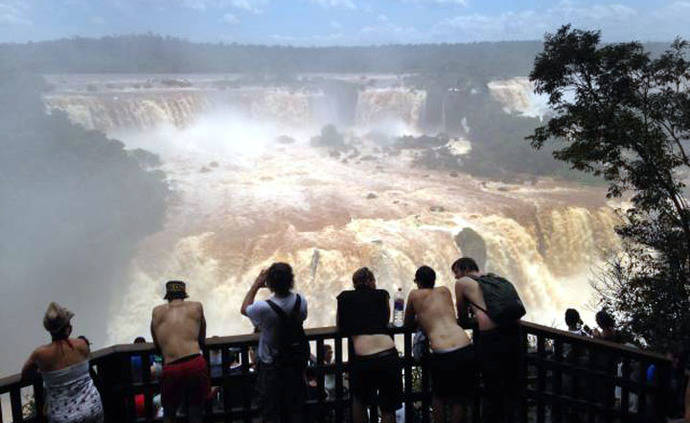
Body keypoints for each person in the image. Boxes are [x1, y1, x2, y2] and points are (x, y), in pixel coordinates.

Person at [453, 257, 522, 423]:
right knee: (512, 384)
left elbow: (461, 315)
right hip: (514, 333)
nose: (455, 277)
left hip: (491, 337)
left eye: (456, 273)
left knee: (492, 386)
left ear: (463, 270)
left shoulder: (463, 283)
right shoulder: (495, 278)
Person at [404, 265, 476, 423]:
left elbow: (407, 322)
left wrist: (421, 319)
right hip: (464, 345)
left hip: (443, 352)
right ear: (434, 280)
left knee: (439, 397)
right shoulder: (445, 291)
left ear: (418, 282)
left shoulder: (414, 295)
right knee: (459, 398)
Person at [241, 262, 308, 423]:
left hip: (271, 367)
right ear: (291, 281)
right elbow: (302, 318)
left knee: (271, 410)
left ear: (269, 283)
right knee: (294, 408)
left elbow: (244, 309)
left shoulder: (263, 308)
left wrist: (256, 284)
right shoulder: (301, 301)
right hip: (294, 364)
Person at [336, 267, 402, 423]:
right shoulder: (382, 294)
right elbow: (385, 320)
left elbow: (340, 325)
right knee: (388, 408)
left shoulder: (344, 297)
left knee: (359, 402)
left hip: (363, 357)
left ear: (354, 283)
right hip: (388, 354)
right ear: (371, 281)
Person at [21, 302, 104, 423]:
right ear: (67, 327)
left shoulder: (40, 354)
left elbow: (26, 374)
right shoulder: (82, 344)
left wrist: (44, 371)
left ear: (49, 330)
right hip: (92, 408)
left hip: (63, 417)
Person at [150, 280, 209, 423]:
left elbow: (156, 342)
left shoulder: (157, 312)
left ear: (167, 296)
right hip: (195, 362)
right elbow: (202, 336)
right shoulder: (196, 307)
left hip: (171, 367)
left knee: (169, 413)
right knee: (195, 412)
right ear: (184, 294)